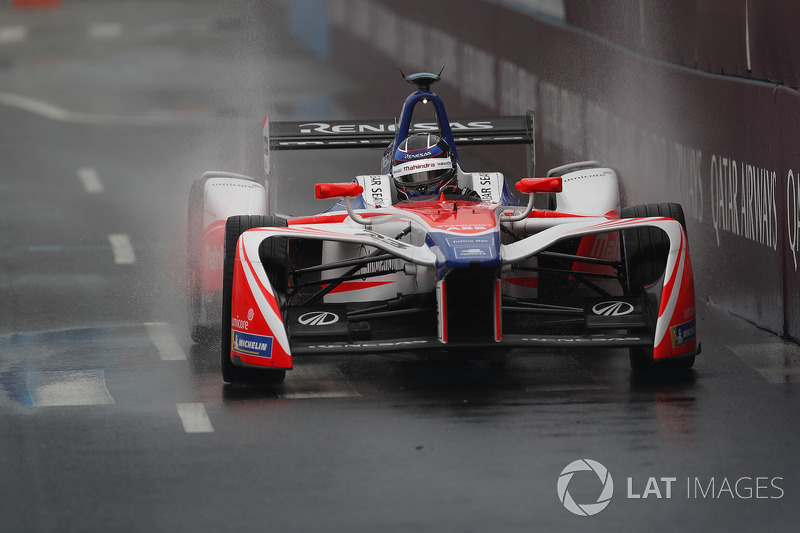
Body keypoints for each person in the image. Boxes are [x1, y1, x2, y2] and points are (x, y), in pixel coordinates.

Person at [391, 133, 478, 200]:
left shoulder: (467, 199)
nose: (422, 187)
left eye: (430, 174)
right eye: (412, 177)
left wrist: (473, 202)